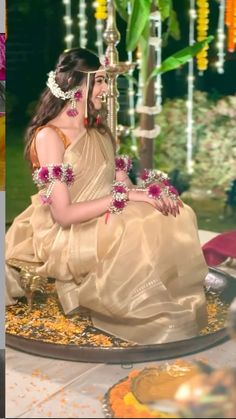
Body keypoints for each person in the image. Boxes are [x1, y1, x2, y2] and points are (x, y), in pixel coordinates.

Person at [6, 48, 208, 345]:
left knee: (169, 212)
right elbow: (63, 215)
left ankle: (163, 298)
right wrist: (130, 198)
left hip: (104, 214)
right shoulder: (51, 135)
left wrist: (152, 193)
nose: (105, 89)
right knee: (134, 224)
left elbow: (122, 184)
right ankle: (134, 310)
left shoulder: (98, 130)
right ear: (77, 85)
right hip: (67, 229)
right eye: (99, 81)